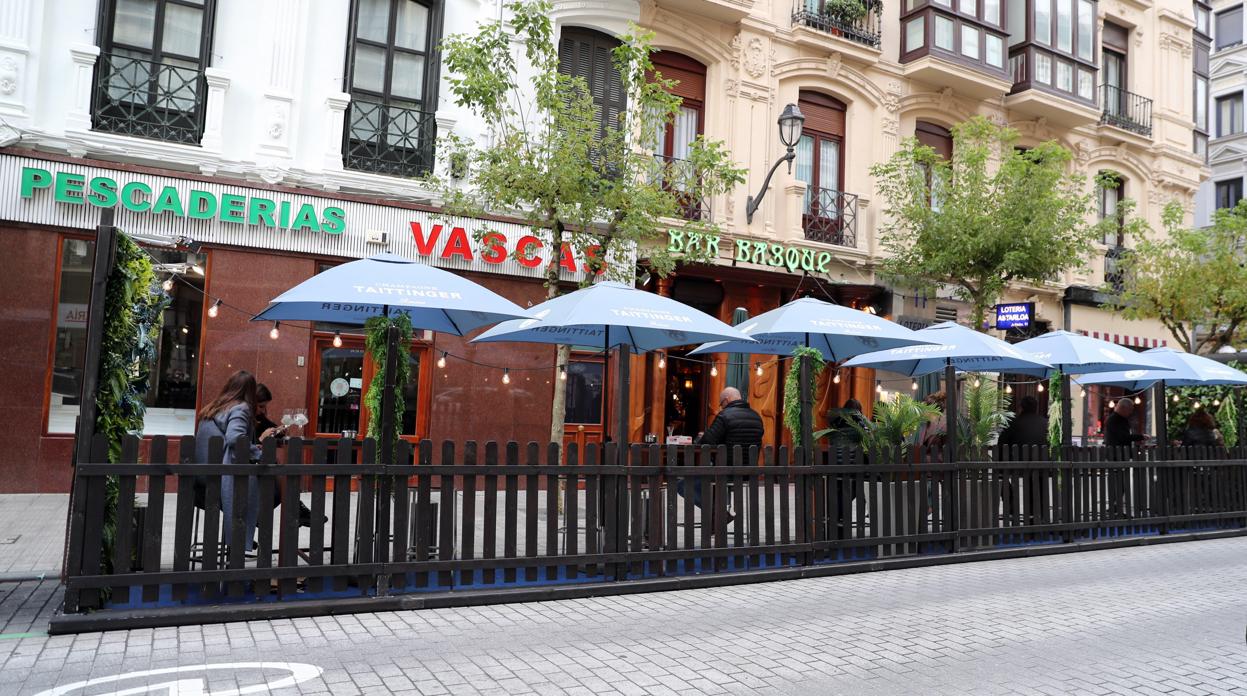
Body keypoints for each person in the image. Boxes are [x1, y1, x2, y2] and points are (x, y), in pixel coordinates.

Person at [194, 370, 281, 553]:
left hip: (201, 474)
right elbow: (235, 438)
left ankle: (247, 526)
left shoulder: (215, 406)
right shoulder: (240, 408)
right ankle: (248, 527)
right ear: (249, 391)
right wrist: (258, 453)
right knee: (273, 489)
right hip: (220, 477)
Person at [677, 387, 762, 513]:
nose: (721, 407)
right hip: (748, 473)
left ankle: (717, 511)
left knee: (682, 484)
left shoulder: (724, 416)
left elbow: (707, 442)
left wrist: (702, 436)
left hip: (725, 471)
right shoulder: (757, 417)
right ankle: (717, 512)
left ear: (726, 400)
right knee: (706, 481)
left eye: (721, 404)